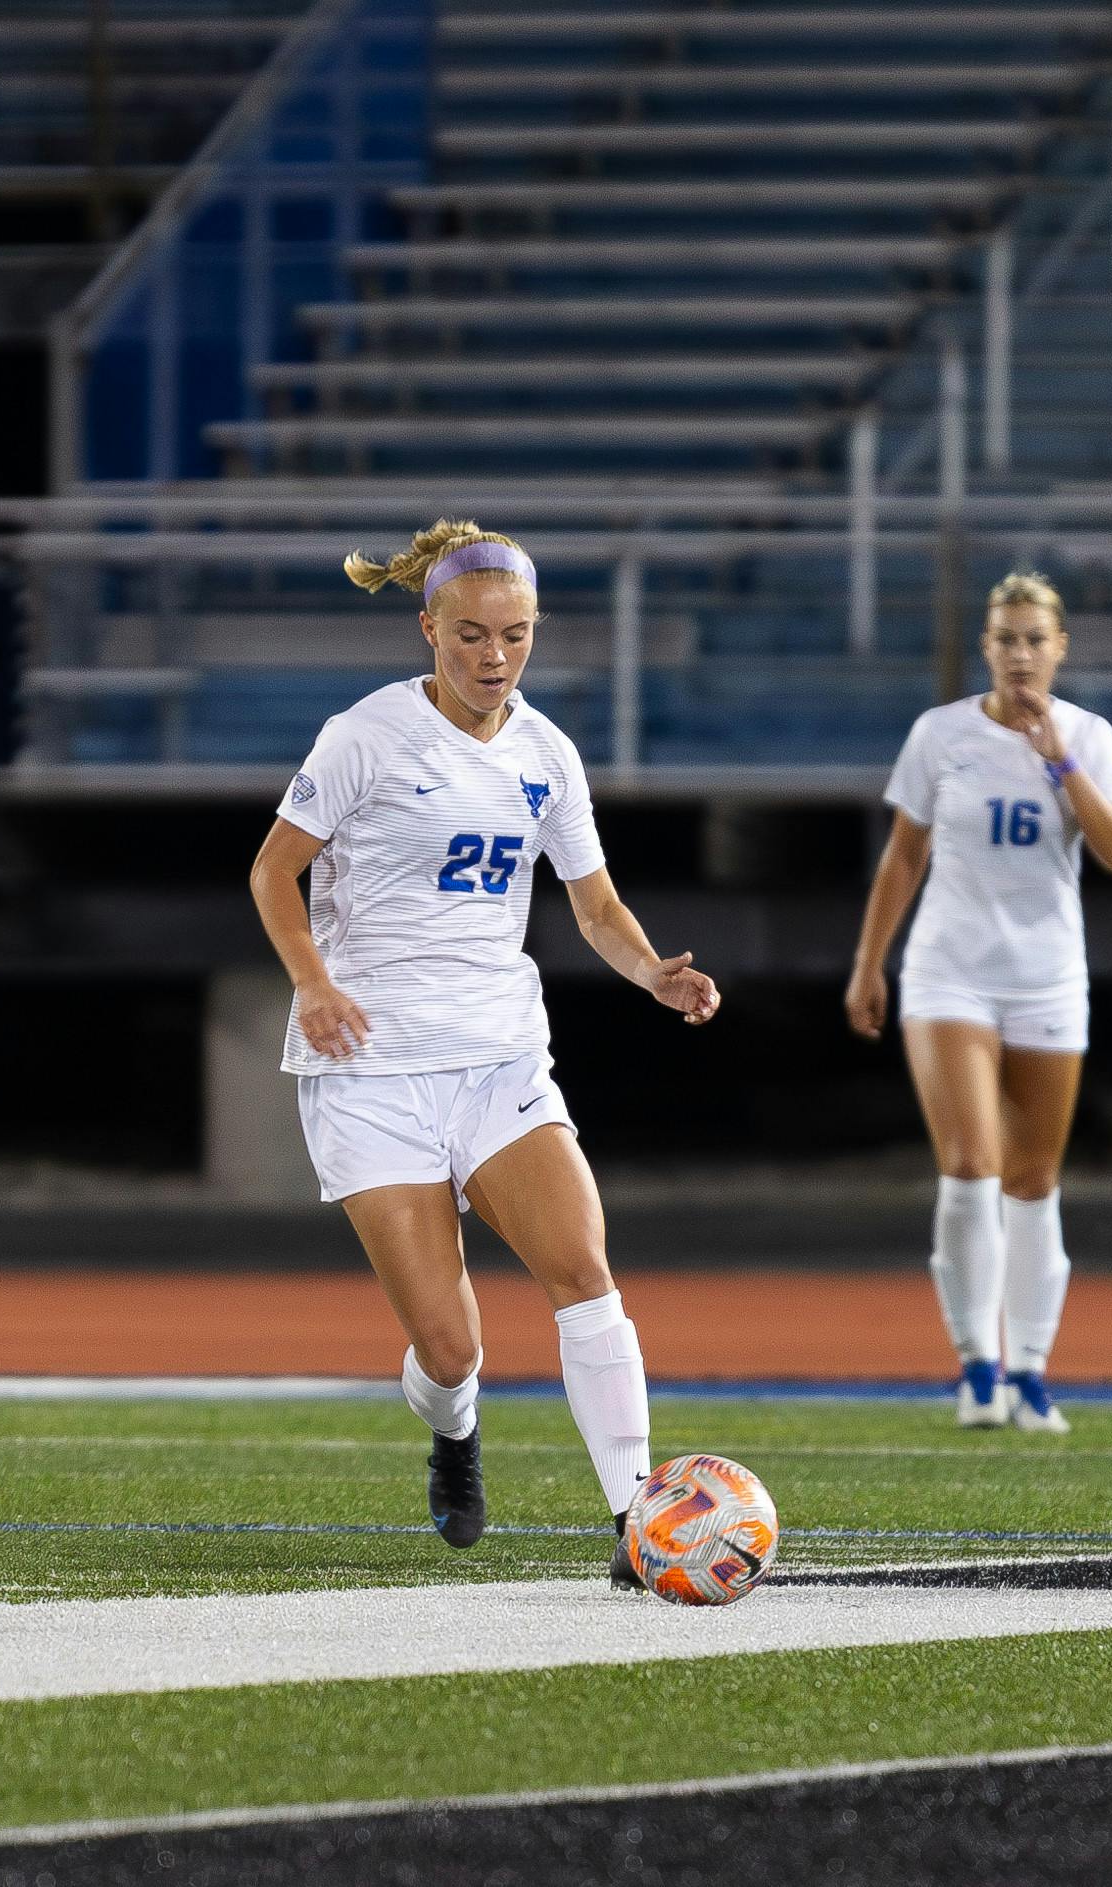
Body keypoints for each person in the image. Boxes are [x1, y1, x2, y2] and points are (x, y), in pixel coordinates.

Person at [249, 520, 720, 1585]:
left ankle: (635, 1521)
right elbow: (272, 874)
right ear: (429, 629)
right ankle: (455, 1431)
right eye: (468, 634)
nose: (491, 656)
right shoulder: (364, 736)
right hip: (370, 1071)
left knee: (584, 1272)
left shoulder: (547, 754)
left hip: (499, 1059)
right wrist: (314, 983)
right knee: (451, 1348)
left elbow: (592, 903)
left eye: (513, 635)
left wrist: (651, 972)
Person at [846, 572, 1112, 1432]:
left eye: (1034, 640)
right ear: (987, 647)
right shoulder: (942, 734)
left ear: (1059, 648)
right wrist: (869, 963)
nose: (1019, 654)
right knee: (971, 1161)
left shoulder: (1089, 735)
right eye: (1005, 638)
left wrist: (1063, 764)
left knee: (1035, 1177)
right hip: (949, 971)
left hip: (1045, 973)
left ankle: (1034, 1370)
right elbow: (902, 857)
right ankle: (977, 1363)